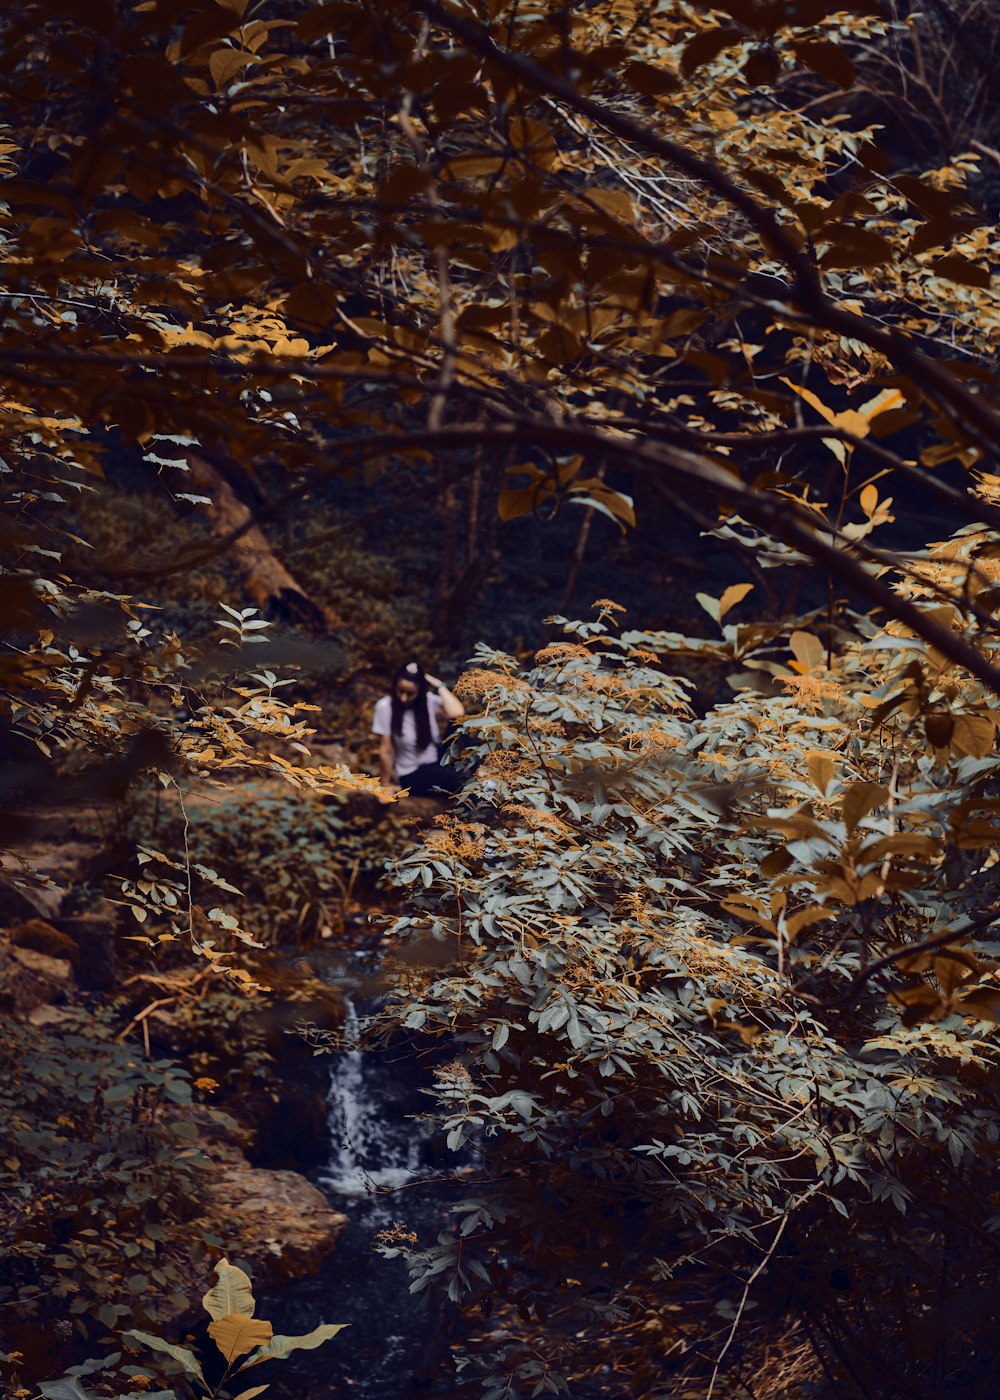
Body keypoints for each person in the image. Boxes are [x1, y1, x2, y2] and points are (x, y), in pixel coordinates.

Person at [372, 661, 465, 798]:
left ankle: (481, 772)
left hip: (437, 762)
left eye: (410, 693)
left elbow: (457, 713)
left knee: (460, 725)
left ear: (420, 691)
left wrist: (439, 686)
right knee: (459, 780)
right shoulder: (386, 706)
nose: (403, 698)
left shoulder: (427, 702)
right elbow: (386, 751)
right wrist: (384, 787)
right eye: (400, 690)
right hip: (412, 774)